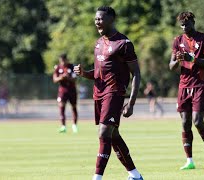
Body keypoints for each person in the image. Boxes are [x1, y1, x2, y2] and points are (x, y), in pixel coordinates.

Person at [73, 6, 143, 180]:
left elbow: (137, 73)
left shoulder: (123, 44)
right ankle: (135, 175)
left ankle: (97, 178)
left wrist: (131, 103)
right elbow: (97, 74)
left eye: (101, 18)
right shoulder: (98, 43)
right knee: (113, 136)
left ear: (111, 19)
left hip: (114, 93)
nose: (97, 21)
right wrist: (84, 74)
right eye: (96, 18)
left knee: (104, 133)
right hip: (99, 94)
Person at [169, 11, 204, 170]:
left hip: (200, 84)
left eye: (186, 24)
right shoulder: (177, 41)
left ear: (193, 23)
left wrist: (192, 59)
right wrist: (178, 60)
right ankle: (189, 160)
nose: (184, 27)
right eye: (181, 25)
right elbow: (171, 66)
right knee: (185, 122)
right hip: (184, 85)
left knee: (198, 121)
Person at [53, 53, 78, 133]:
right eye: (61, 61)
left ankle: (74, 125)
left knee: (73, 107)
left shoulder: (72, 66)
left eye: (64, 61)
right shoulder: (58, 68)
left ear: (66, 60)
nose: (63, 63)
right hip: (62, 91)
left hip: (72, 91)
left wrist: (68, 77)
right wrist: (61, 77)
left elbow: (75, 78)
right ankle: (63, 126)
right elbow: (54, 79)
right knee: (61, 107)